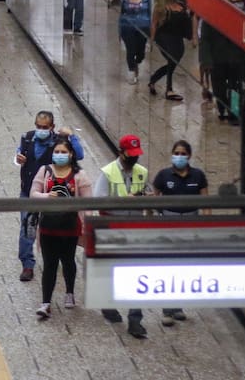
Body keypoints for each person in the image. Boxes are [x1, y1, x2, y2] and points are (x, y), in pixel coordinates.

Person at [15, 111, 85, 281]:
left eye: (44, 127)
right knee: (27, 228)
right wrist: (18, 158)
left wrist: (72, 137)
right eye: (38, 126)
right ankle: (27, 265)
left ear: (52, 127)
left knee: (57, 228)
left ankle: (58, 256)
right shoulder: (27, 138)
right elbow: (18, 154)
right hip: (29, 192)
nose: (41, 130)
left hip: (54, 194)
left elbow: (79, 155)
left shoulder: (59, 142)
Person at [93, 134, 149, 338]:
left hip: (135, 230)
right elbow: (98, 201)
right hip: (112, 229)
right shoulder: (108, 172)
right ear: (121, 152)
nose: (135, 158)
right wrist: (127, 199)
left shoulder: (142, 172)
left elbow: (148, 195)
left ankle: (135, 320)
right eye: (131, 154)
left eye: (137, 154)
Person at [31, 138, 92, 318]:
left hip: (70, 227)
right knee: (49, 264)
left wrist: (88, 227)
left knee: (68, 261)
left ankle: (70, 293)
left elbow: (88, 204)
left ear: (71, 154)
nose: (60, 155)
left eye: (63, 152)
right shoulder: (45, 171)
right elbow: (33, 194)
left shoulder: (80, 175)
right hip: (48, 226)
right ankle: (46, 302)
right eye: (56, 152)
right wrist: (47, 196)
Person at [153, 140, 209, 327]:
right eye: (176, 153)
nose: (179, 156)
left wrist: (206, 227)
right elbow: (154, 199)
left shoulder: (198, 176)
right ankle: (167, 309)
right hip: (168, 222)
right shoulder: (163, 175)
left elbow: (206, 203)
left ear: (189, 156)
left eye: (182, 153)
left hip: (190, 223)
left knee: (183, 266)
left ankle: (178, 306)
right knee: (168, 265)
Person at [148, 0, 192, 101]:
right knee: (172, 59)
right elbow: (154, 24)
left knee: (174, 61)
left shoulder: (181, 5)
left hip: (178, 37)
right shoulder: (160, 8)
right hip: (164, 36)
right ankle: (169, 89)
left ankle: (153, 80)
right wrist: (152, 40)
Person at [119, 0, 152, 84]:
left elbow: (149, 14)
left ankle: (137, 62)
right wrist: (119, 31)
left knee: (141, 53)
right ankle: (131, 71)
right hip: (127, 29)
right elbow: (121, 15)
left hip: (143, 28)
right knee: (130, 50)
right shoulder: (124, 0)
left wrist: (151, 31)